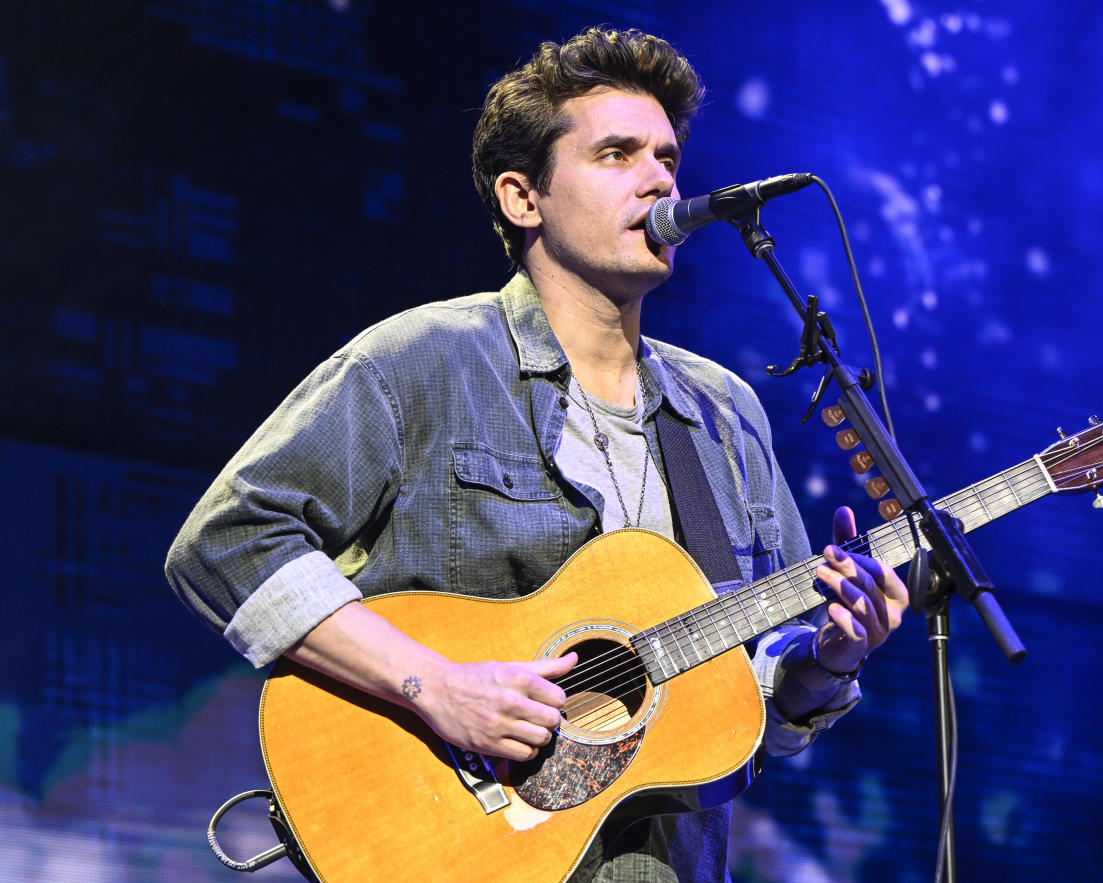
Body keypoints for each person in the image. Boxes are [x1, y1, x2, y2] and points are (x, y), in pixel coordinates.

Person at [166, 26, 908, 882]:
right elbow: (225, 541)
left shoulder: (723, 413)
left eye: (667, 156)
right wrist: (436, 685)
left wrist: (827, 661)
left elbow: (744, 712)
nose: (660, 178)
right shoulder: (422, 361)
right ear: (525, 199)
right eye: (617, 153)